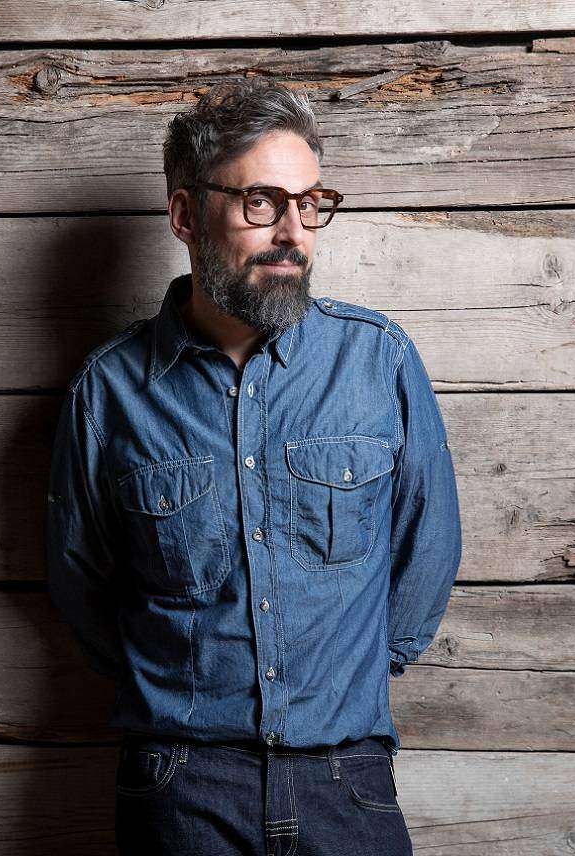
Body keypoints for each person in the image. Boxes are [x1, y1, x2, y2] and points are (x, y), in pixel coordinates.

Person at [45, 76, 462, 856]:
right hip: (180, 789)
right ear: (185, 215)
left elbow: (426, 545)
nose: (293, 232)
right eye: (261, 203)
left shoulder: (378, 362)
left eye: (310, 203)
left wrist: (348, 680)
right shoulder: (109, 391)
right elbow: (83, 584)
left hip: (347, 780)